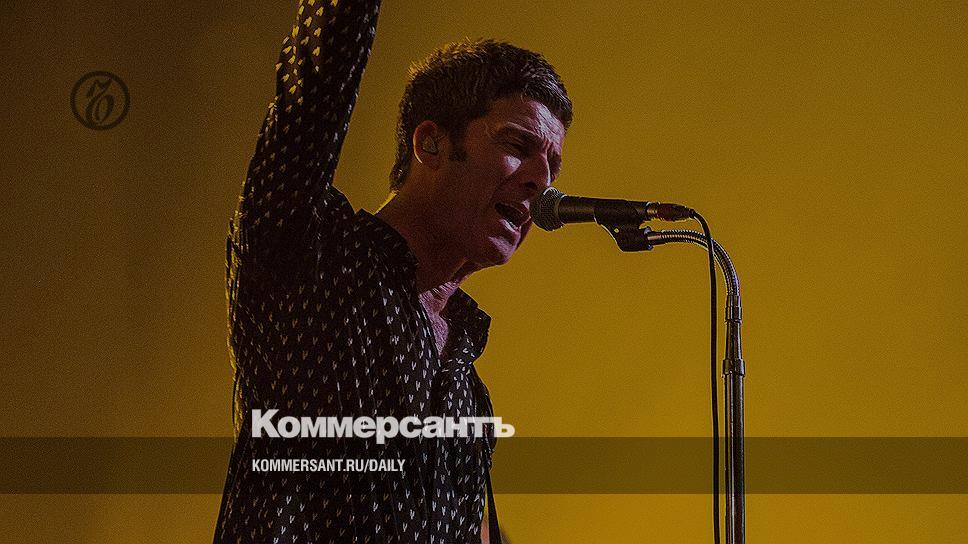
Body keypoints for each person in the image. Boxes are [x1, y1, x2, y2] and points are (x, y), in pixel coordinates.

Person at [214, 1, 572, 542]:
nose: (541, 179)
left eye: (552, 166)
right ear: (430, 143)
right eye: (518, 145)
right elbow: (319, 75)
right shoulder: (314, 253)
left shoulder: (468, 389)